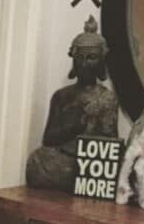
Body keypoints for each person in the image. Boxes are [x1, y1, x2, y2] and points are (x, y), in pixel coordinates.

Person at [26, 16, 119, 190]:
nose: (84, 64)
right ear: (73, 60)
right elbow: (48, 140)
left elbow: (110, 146)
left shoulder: (107, 98)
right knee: (36, 160)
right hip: (62, 158)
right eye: (80, 58)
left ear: (101, 62)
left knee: (103, 171)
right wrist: (73, 126)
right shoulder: (61, 96)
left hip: (87, 164)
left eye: (91, 58)